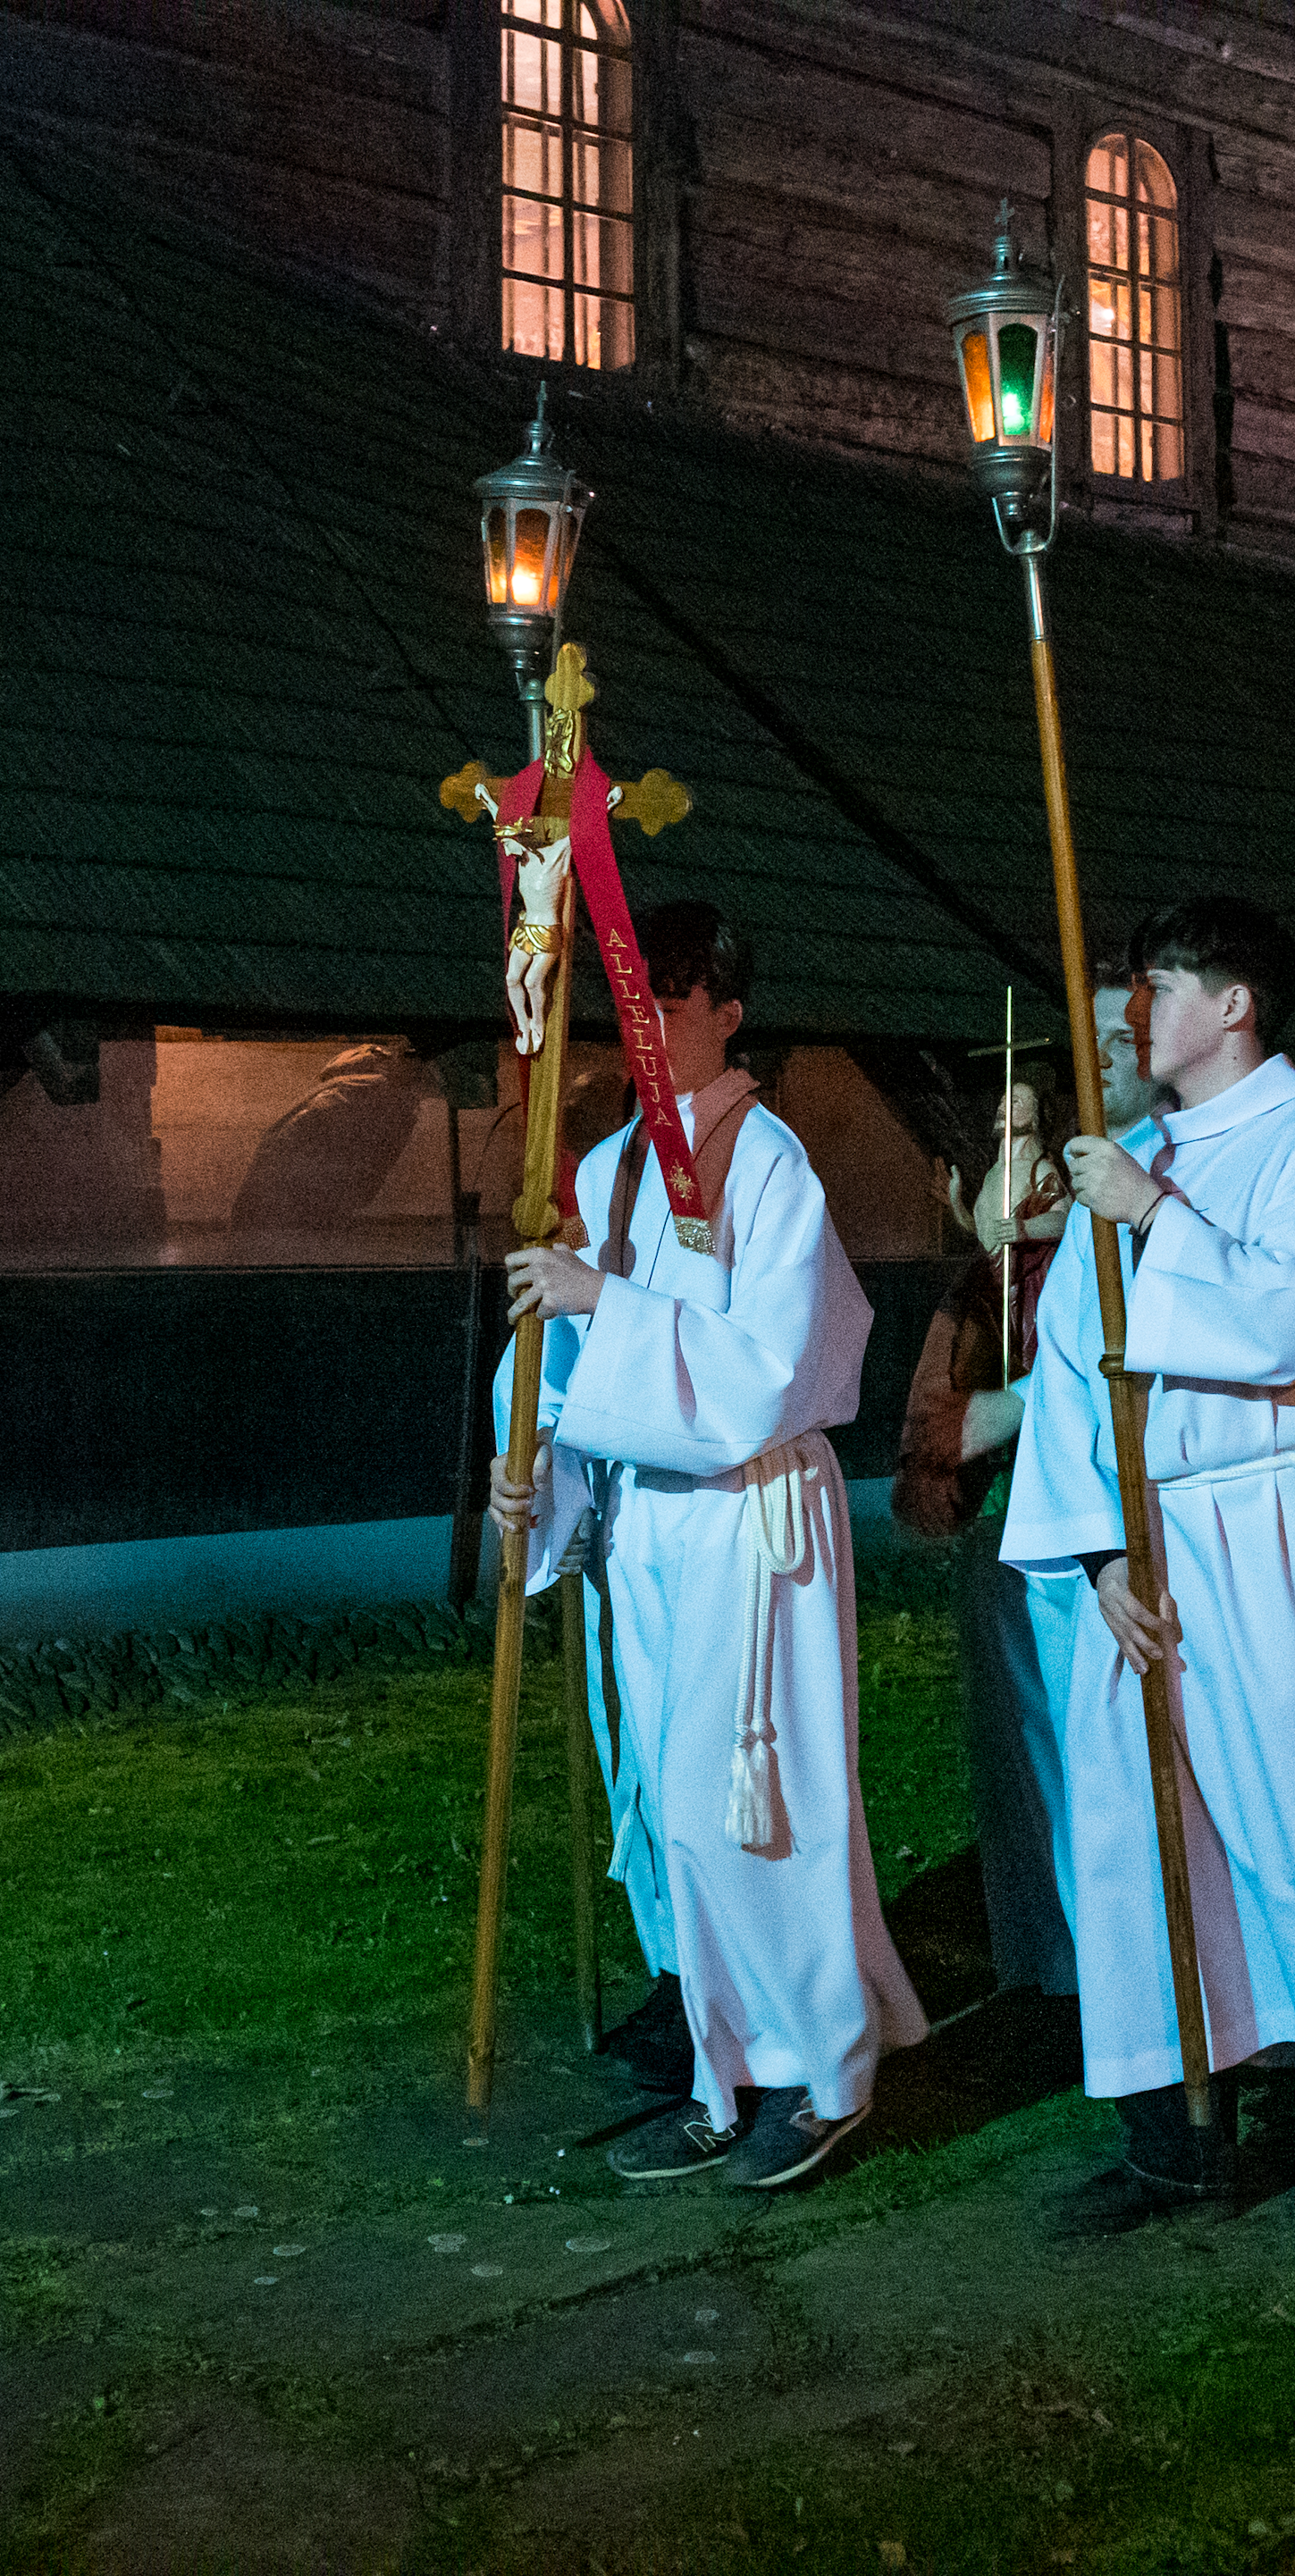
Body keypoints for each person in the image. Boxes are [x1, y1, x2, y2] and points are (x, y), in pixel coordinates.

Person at [1004, 897, 1295, 2231]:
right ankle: (1176, 2130)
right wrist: (1098, 1547)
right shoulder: (1138, 1150)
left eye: (1158, 986)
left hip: (1272, 1523)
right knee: (1138, 1836)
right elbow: (1068, 1362)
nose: (1132, 1012)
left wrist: (1156, 1213)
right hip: (1139, 1544)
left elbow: (1286, 1322)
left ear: (1234, 1006)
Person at [491, 900, 926, 2186]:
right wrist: (542, 1470)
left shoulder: (771, 1158)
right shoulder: (604, 1161)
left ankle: (822, 2069)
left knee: (749, 1798)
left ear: (729, 1014)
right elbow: (567, 1366)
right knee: (668, 1811)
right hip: (651, 1526)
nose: (646, 1023)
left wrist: (603, 1300)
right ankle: (725, 2053)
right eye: (629, 998)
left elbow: (769, 1366)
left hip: (749, 1512)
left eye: (672, 999)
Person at [894, 1059, 1080, 2001]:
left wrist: (1017, 1410)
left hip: (1092, 1545)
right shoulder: (979, 1288)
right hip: (1003, 1538)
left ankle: (1113, 1965)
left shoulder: (1092, 1265)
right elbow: (937, 1412)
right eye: (1000, 1138)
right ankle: (1041, 1959)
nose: (1020, 1163)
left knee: (1091, 1751)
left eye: (1032, 1134)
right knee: (1016, 1749)